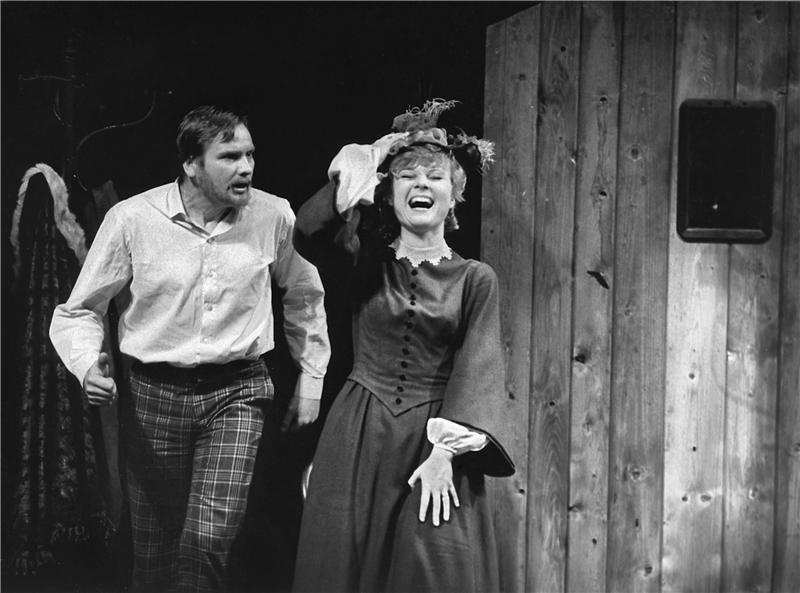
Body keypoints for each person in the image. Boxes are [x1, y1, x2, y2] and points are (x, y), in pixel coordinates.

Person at [49, 105, 331, 592]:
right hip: (153, 395)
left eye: (250, 155)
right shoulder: (133, 219)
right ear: (191, 165)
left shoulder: (273, 215)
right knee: (154, 552)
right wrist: (86, 365)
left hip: (238, 392)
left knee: (207, 541)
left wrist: (312, 379)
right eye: (230, 157)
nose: (246, 167)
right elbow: (80, 310)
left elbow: (304, 295)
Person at [291, 99, 515, 593]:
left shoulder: (475, 278)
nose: (421, 185)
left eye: (435, 177)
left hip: (436, 440)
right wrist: (369, 158)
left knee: (433, 566)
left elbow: (478, 370)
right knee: (343, 569)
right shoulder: (364, 260)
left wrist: (445, 454)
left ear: (453, 196)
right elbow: (308, 228)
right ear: (388, 195)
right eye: (407, 177)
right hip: (359, 435)